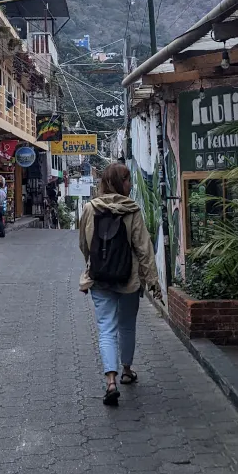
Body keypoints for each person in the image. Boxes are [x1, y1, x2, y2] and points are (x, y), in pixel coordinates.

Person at [78, 163, 161, 407]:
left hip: (100, 278)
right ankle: (126, 370)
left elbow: (84, 244)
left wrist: (94, 264)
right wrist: (151, 280)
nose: (131, 184)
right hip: (129, 278)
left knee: (106, 328)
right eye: (127, 180)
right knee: (126, 326)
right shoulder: (132, 210)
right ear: (118, 183)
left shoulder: (90, 208)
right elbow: (143, 248)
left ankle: (110, 382)